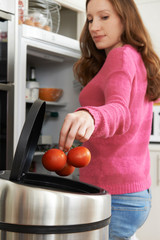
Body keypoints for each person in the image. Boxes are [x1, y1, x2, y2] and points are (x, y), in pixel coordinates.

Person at [59, 0, 160, 239]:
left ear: (125, 19)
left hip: (116, 197)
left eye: (104, 17)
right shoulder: (134, 57)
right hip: (130, 192)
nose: (94, 27)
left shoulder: (121, 56)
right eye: (91, 19)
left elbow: (119, 110)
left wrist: (90, 114)